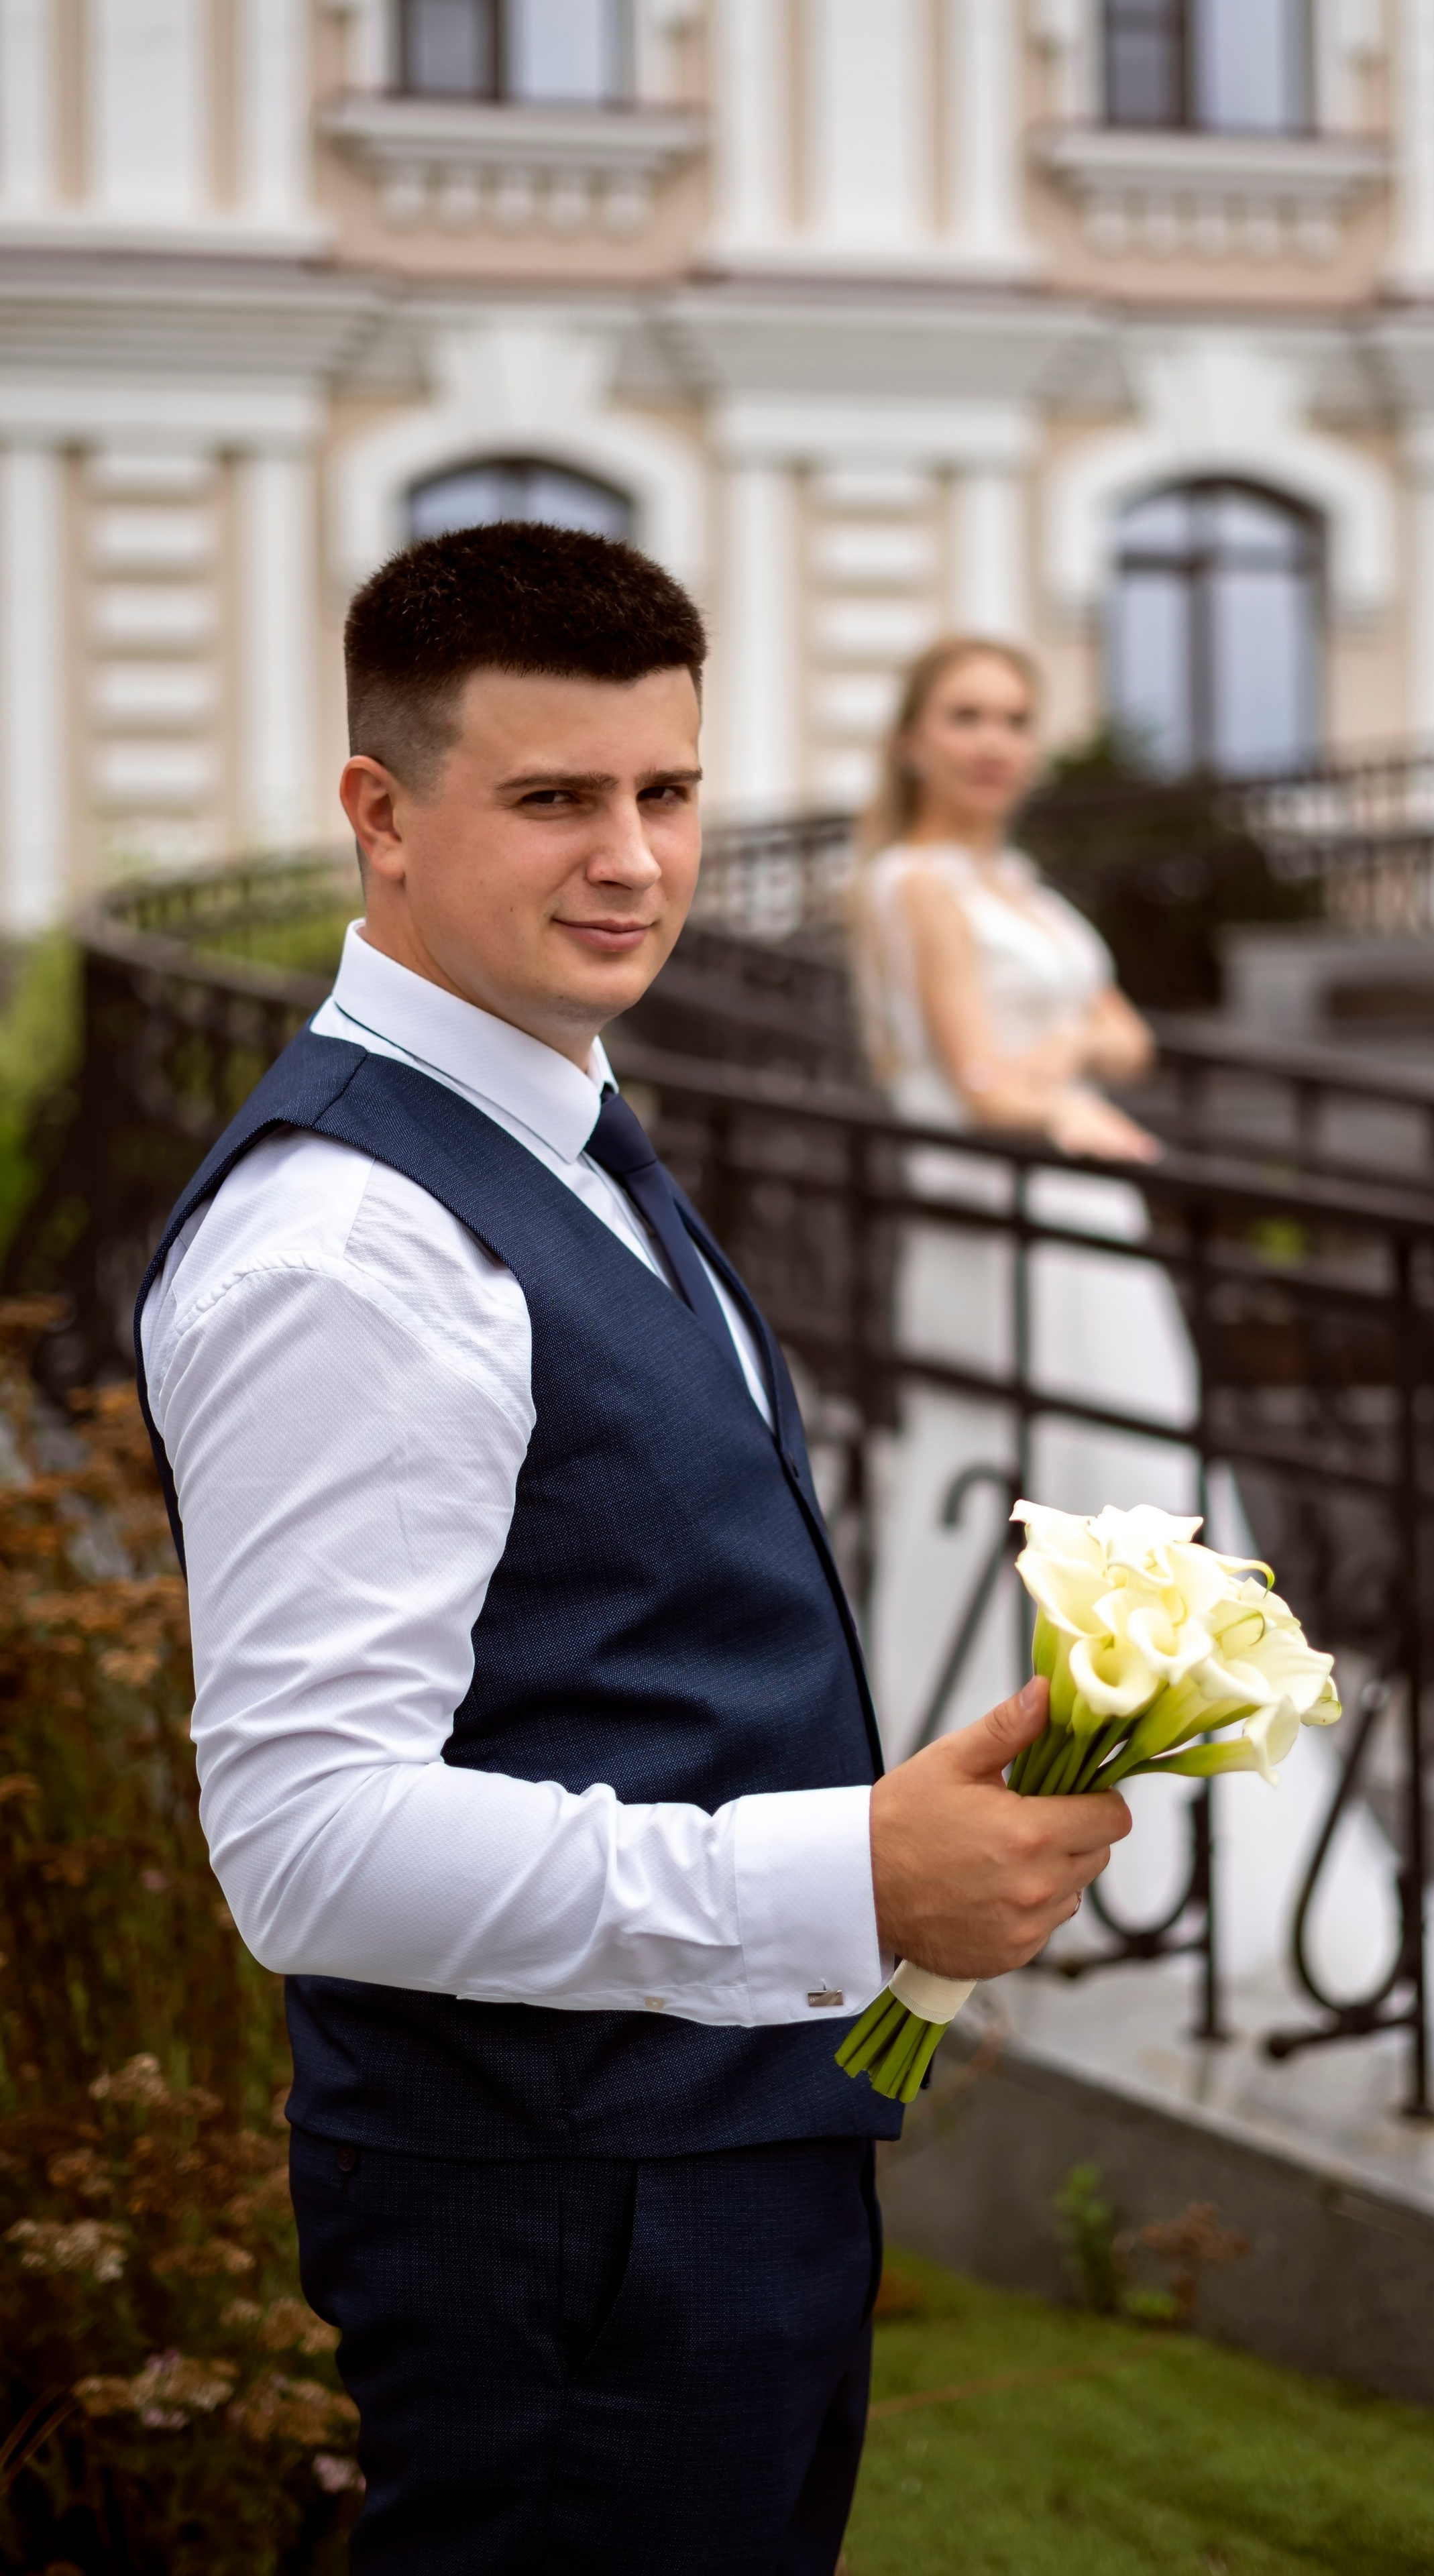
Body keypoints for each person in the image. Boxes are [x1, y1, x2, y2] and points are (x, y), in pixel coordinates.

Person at [134, 528, 1131, 2575]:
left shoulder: (560, 1121)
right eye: (553, 798)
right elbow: (307, 1843)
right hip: (563, 2222)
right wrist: (852, 1871)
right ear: (379, 814)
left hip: (706, 2184)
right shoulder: (351, 1246)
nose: (633, 859)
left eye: (667, 790)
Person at [854, 638, 1207, 1769]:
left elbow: (1130, 1038)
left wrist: (1053, 1060)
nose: (994, 742)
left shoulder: (1023, 888)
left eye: (1013, 718)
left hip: (1078, 1207)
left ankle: (1134, 1773)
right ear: (913, 741)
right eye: (965, 716)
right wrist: (1057, 1081)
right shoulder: (914, 883)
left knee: (1134, 1482)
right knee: (1014, 1488)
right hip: (995, 1215)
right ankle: (978, 1764)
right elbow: (979, 1085)